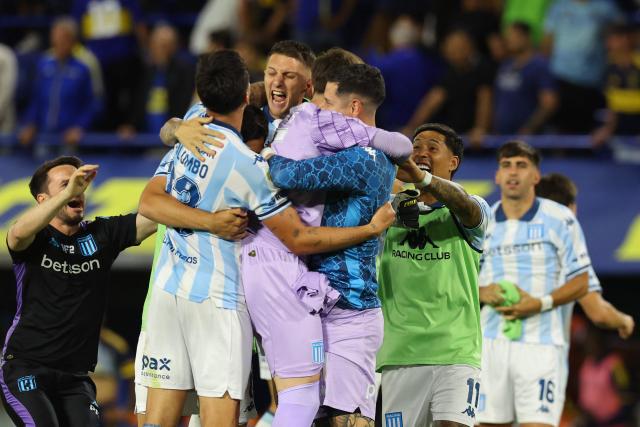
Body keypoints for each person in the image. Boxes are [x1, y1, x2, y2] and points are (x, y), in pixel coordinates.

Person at [136, 50, 396, 427]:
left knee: (242, 407)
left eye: (289, 76)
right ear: (249, 91)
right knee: (286, 398)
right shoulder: (249, 161)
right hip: (231, 292)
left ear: (309, 88)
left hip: (195, 288)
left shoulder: (200, 125)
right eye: (271, 73)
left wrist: (178, 128)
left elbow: (150, 194)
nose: (277, 82)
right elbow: (298, 236)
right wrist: (372, 228)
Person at [264, 63, 399, 426]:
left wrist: (271, 149)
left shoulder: (363, 159)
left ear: (353, 108)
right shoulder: (369, 153)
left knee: (347, 421)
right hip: (320, 304)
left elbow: (285, 173)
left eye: (328, 103)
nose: (321, 113)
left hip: (352, 313)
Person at [1, 156, 157, 426]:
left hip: (75, 378)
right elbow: (16, 233)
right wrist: (66, 195)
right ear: (43, 200)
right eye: (66, 184)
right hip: (25, 368)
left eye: (80, 184)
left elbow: (156, 217)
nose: (78, 190)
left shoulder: (101, 235)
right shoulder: (36, 238)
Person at [376, 123, 491, 427]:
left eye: (432, 147)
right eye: (416, 146)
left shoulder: (473, 210)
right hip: (400, 354)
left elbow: (465, 205)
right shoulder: (386, 210)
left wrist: (422, 179)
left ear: (453, 162)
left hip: (456, 351)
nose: (421, 152)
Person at [477, 141, 591, 427]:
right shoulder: (482, 222)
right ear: (497, 176)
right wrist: (482, 291)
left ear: (536, 177)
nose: (513, 172)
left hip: (541, 345)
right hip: (490, 342)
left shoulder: (560, 219)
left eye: (522, 165)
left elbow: (582, 280)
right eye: (506, 165)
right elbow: (460, 280)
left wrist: (539, 303)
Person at [534, 173, 634, 338]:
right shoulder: (566, 242)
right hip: (541, 354)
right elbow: (599, 314)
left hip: (490, 350)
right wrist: (624, 321)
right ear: (572, 208)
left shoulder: (502, 233)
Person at [402, 29, 493, 146]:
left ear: (469, 48)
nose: (452, 51)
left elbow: (484, 99)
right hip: (452, 136)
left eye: (457, 47)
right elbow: (433, 99)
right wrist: (412, 127)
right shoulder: (449, 72)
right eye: (450, 47)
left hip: (473, 140)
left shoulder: (482, 69)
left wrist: (480, 128)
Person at [19, 17, 98, 146]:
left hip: (69, 138)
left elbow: (91, 105)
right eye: (56, 38)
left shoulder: (82, 69)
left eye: (63, 38)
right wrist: (30, 123)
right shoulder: (43, 66)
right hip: (42, 136)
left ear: (73, 41)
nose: (59, 42)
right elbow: (36, 100)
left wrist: (79, 127)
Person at [493, 21, 557, 135]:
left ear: (526, 37)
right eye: (508, 37)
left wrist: (530, 128)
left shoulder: (539, 65)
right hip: (502, 136)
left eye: (514, 36)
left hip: (528, 138)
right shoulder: (505, 65)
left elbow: (549, 103)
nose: (509, 40)